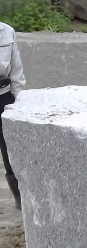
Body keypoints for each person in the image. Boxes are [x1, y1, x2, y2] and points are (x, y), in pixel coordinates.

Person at [0, 21, 25, 209]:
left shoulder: (7, 31)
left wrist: (19, 99)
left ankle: (20, 201)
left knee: (11, 150)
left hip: (4, 97)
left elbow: (16, 67)